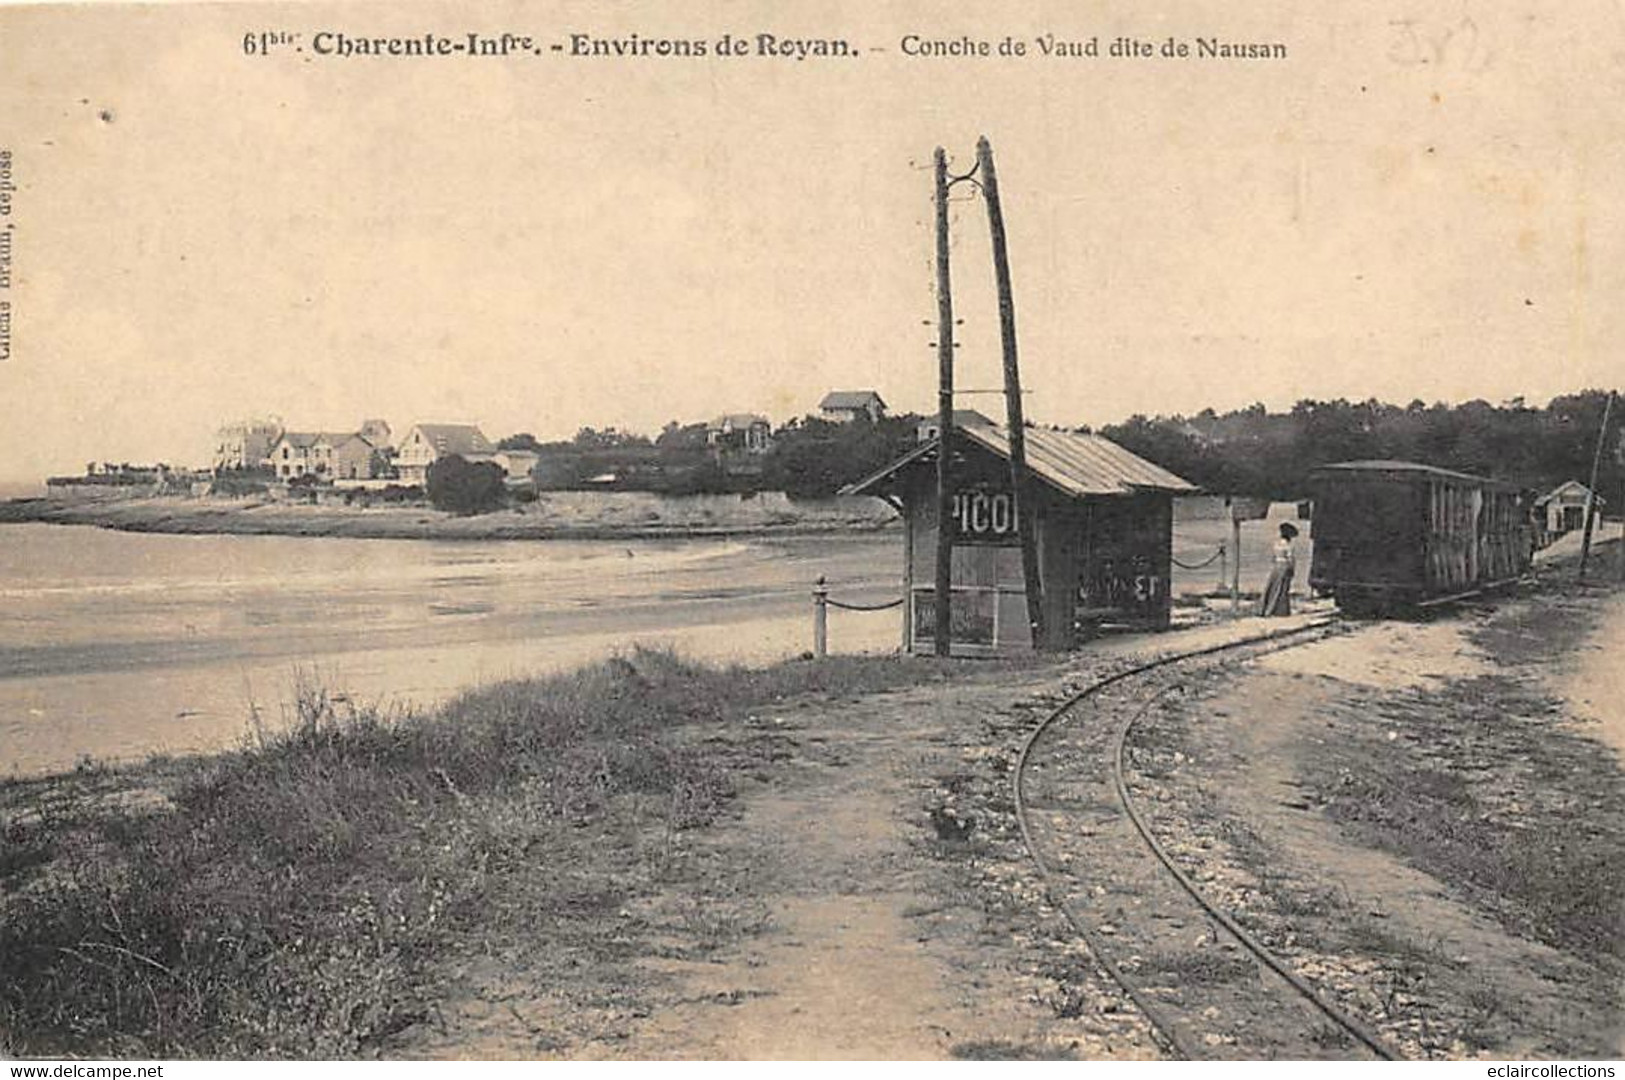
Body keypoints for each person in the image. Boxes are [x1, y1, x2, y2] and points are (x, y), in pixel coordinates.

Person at [1259, 522, 1298, 616]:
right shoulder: (1289, 546)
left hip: (1276, 566)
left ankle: (1265, 609)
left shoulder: (1276, 544)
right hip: (1284, 566)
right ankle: (1279, 611)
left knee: (1272, 587)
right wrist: (1292, 569)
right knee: (1282, 588)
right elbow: (1291, 559)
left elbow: (1273, 557)